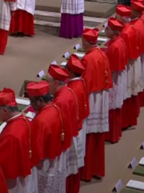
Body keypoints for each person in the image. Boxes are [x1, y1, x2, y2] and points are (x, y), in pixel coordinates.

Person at [79, 27, 112, 182]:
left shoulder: (88, 59)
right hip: (101, 97)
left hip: (92, 98)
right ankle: (97, 169)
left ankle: (87, 171)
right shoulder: (101, 54)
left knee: (89, 135)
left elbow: (84, 84)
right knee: (98, 136)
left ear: (86, 42)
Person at [0, 88, 37, 193]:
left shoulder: (11, 135)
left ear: (5, 110)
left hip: (14, 182)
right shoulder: (25, 121)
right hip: (27, 171)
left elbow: (2, 163)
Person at [28, 80, 68, 192]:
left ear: (40, 100)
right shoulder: (56, 108)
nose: (31, 105)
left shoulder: (41, 121)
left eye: (32, 101)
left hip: (46, 164)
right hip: (58, 158)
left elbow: (36, 149)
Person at [46, 65, 80, 193]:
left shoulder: (60, 101)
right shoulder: (67, 91)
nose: (46, 84)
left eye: (48, 81)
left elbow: (57, 125)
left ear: (55, 83)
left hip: (62, 142)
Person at [66, 54, 89, 192]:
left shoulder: (72, 89)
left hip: (74, 127)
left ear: (70, 72)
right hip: (80, 123)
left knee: (71, 165)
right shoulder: (80, 82)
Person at [103, 18, 127, 144]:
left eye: (107, 29)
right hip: (118, 78)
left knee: (112, 108)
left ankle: (111, 135)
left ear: (113, 31)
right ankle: (116, 133)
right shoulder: (118, 41)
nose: (105, 31)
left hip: (113, 80)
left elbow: (111, 69)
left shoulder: (115, 46)